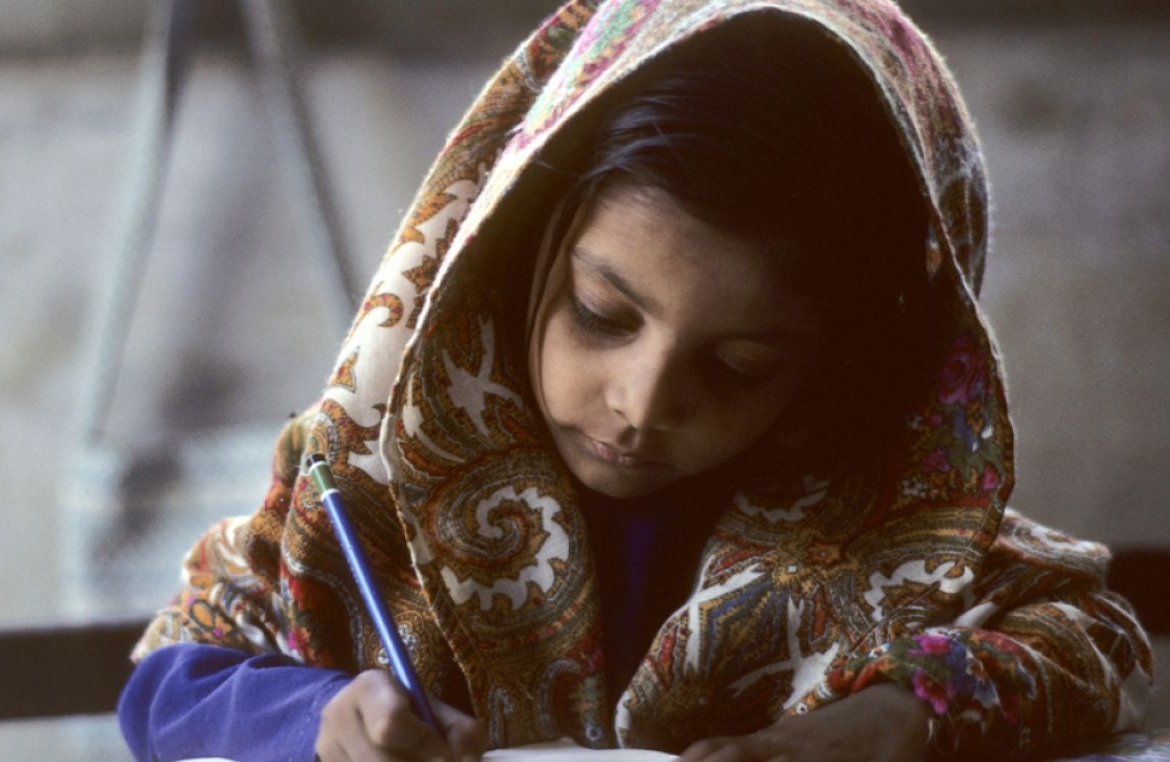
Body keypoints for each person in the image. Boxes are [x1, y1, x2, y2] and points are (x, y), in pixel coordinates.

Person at [118, 1, 1153, 760]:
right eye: (602, 315)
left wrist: (887, 720)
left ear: (839, 358)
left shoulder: (884, 516)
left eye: (740, 365)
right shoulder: (362, 471)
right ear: (513, 244)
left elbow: (1099, 642)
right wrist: (316, 722)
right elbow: (169, 680)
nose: (642, 403)